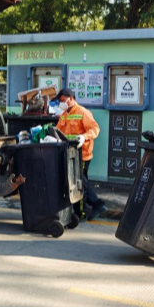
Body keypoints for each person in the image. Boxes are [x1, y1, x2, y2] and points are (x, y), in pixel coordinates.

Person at [55, 88, 107, 218]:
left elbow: (95, 129)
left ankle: (85, 210)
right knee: (78, 181)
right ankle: (88, 208)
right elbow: (58, 131)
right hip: (70, 155)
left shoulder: (83, 112)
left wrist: (84, 137)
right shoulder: (64, 114)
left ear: (71, 99)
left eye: (62, 101)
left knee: (80, 182)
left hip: (82, 155)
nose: (61, 103)